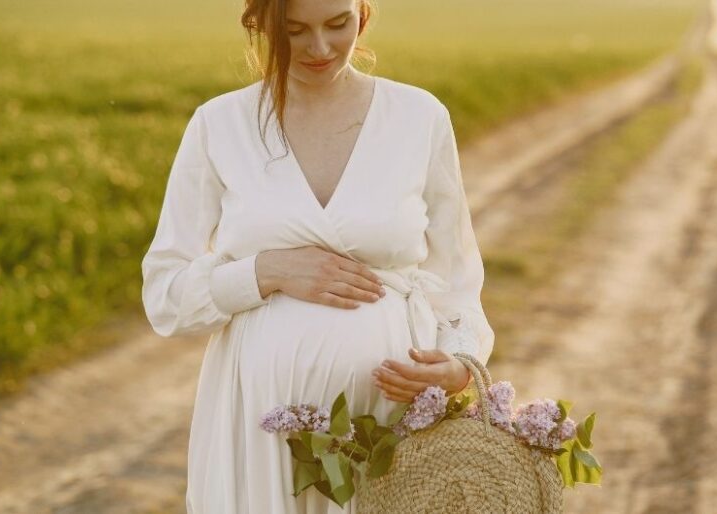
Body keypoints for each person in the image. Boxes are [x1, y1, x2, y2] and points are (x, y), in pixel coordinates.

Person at [140, 0, 495, 512]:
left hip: (389, 427)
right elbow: (164, 294)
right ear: (260, 25)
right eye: (295, 31)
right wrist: (265, 272)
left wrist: (459, 364)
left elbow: (457, 279)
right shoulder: (220, 124)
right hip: (258, 428)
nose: (320, 48)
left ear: (363, 16)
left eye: (337, 25)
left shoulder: (419, 117)